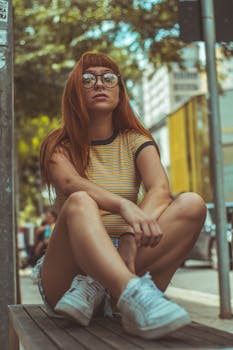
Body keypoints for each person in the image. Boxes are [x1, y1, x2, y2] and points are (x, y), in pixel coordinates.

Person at [36, 51, 206, 339]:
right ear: (76, 92)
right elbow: (69, 183)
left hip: (127, 256)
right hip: (66, 280)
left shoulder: (137, 140)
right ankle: (129, 291)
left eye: (108, 78)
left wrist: (129, 235)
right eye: (88, 79)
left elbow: (160, 191)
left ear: (120, 91)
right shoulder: (58, 143)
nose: (99, 84)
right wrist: (123, 206)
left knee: (192, 204)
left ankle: (111, 289)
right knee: (80, 201)